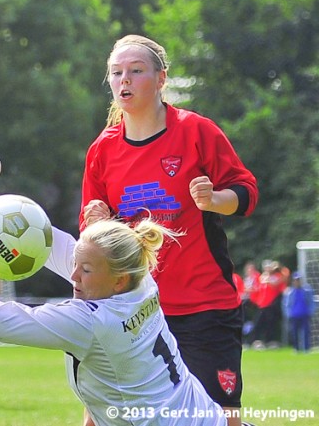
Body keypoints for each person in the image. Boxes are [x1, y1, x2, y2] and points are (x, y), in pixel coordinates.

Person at [81, 34, 258, 425]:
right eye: (116, 73)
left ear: (161, 79)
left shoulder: (197, 131)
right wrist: (95, 225)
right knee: (102, 416)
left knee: (220, 419)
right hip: (134, 308)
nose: (124, 79)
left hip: (204, 308)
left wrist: (214, 200)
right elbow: (92, 241)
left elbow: (247, 193)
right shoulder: (102, 150)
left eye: (136, 71)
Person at [0, 218, 227, 426]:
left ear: (118, 280)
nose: (73, 276)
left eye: (85, 270)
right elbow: (51, 245)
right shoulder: (141, 283)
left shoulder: (91, 321)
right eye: (76, 264)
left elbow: (0, 322)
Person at [250, 261, 286, 349]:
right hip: (262, 304)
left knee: (270, 324)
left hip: (271, 304)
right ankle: (256, 341)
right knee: (258, 323)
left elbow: (276, 284)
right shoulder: (262, 277)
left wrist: (268, 279)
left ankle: (270, 341)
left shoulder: (276, 276)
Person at [282, 272, 315, 352]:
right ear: (293, 281)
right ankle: (296, 348)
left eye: (299, 280)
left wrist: (310, 311)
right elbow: (286, 304)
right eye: (296, 280)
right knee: (294, 333)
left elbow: (311, 302)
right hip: (294, 315)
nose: (297, 282)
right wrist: (288, 314)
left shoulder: (307, 290)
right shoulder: (290, 292)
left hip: (304, 314)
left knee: (306, 332)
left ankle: (307, 349)